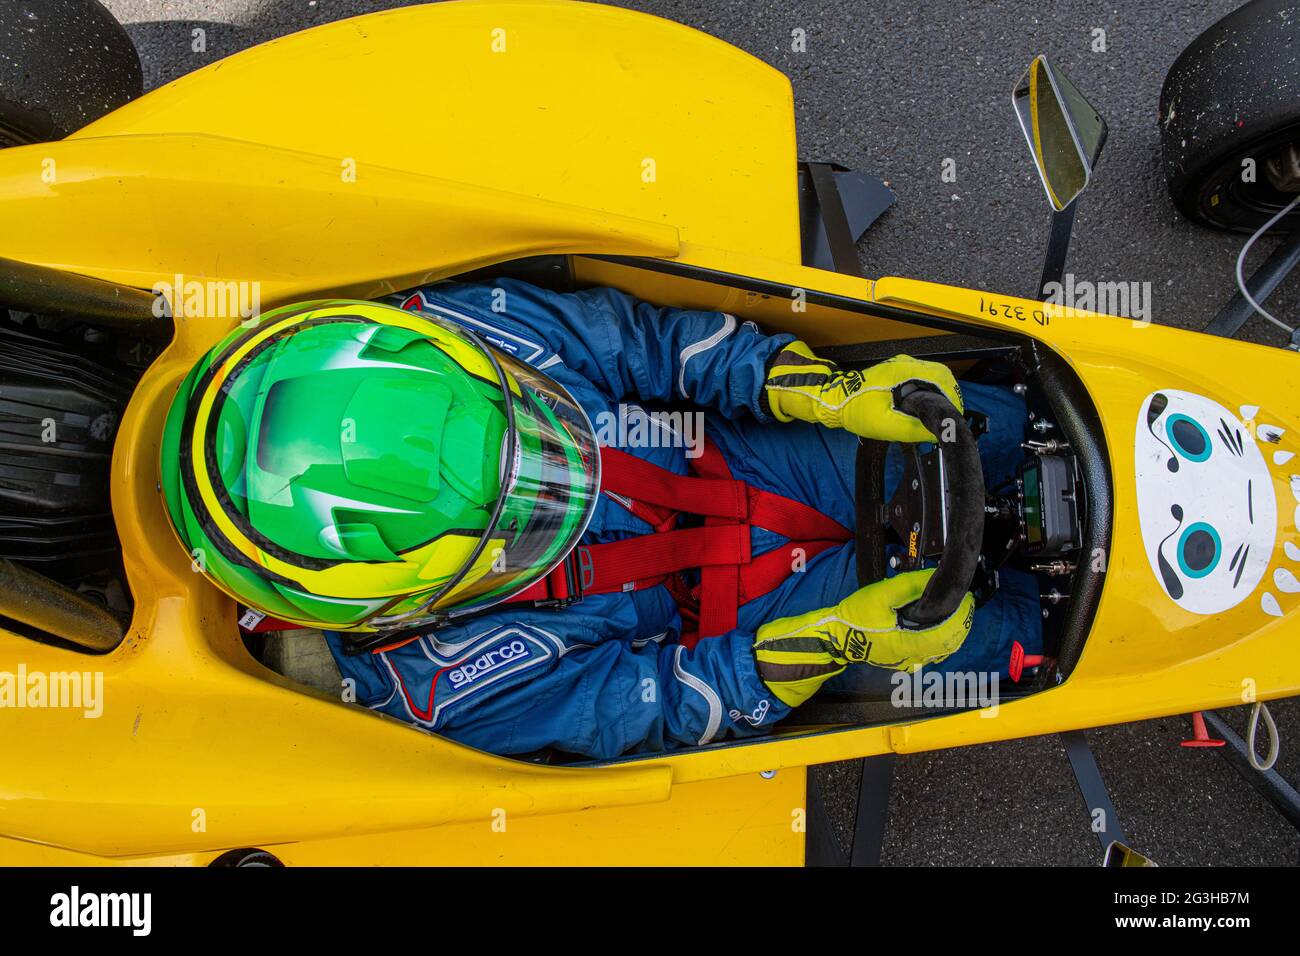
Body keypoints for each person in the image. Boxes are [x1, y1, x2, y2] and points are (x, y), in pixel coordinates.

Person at [159, 280, 1041, 760]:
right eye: (517, 512)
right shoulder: (438, 681)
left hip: (743, 449)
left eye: (524, 434)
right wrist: (825, 644)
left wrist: (816, 387)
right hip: (746, 622)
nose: (552, 477)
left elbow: (646, 345)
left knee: (995, 423)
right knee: (1013, 642)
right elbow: (644, 707)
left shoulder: (458, 336)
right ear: (407, 602)